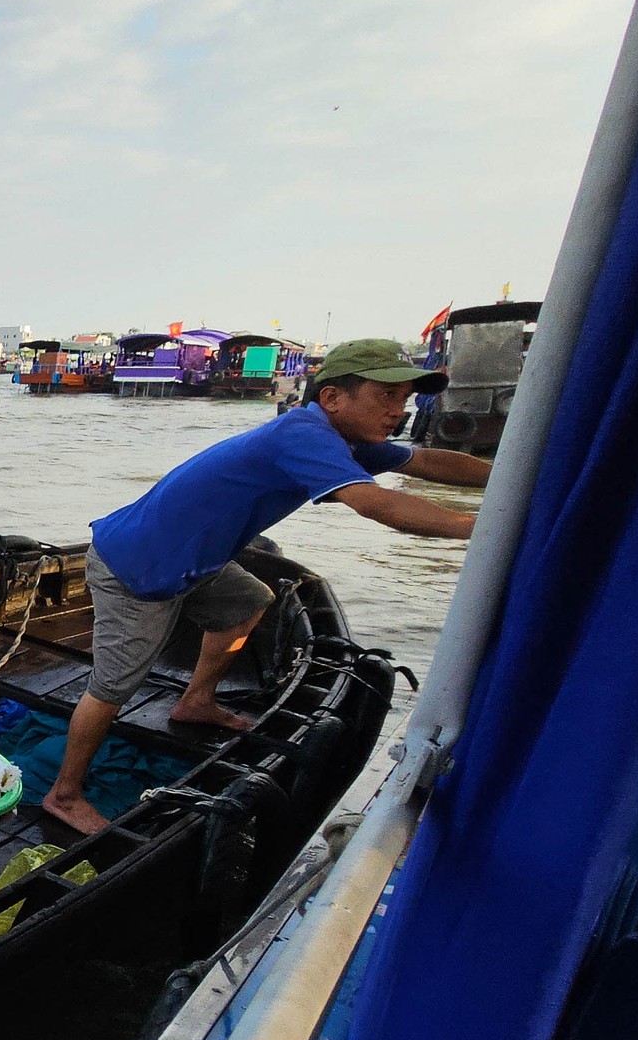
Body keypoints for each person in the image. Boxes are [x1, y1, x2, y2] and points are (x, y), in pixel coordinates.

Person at [41, 340, 491, 836]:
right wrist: (484, 526)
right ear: (334, 398)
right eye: (386, 395)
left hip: (195, 558)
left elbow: (425, 463)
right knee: (113, 686)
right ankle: (64, 795)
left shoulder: (344, 438)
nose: (398, 410)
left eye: (404, 397)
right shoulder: (303, 435)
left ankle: (196, 701)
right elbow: (372, 503)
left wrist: (516, 477)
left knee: (250, 600)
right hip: (140, 566)